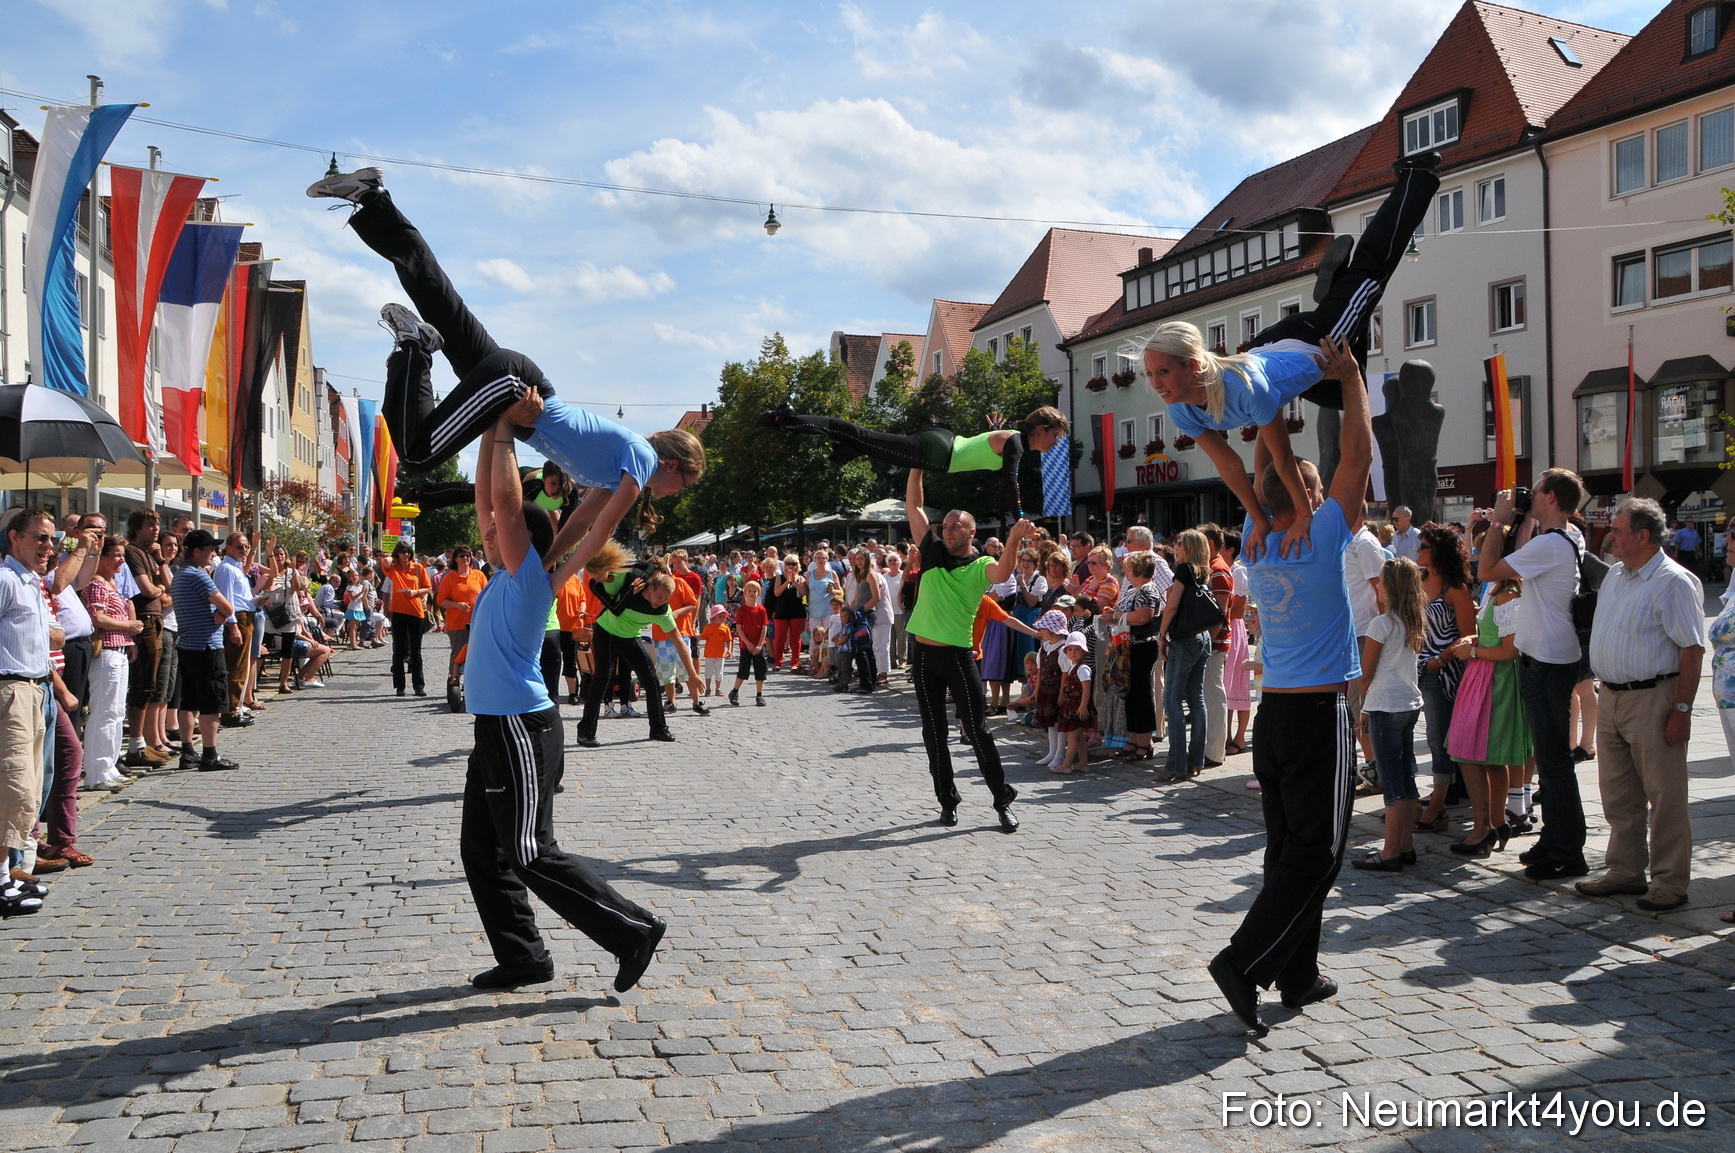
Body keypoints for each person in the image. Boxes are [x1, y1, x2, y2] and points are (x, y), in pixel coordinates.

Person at [307, 167, 705, 579]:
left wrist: (545, 565)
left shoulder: (617, 470)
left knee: (437, 296)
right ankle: (415, 347)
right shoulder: (641, 457)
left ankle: (372, 199)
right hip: (514, 388)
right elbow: (603, 529)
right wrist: (553, 584)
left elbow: (580, 524)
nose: (677, 494)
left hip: (516, 388)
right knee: (419, 453)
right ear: (673, 466)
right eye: (685, 485)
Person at [1127, 157, 1439, 560]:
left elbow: (1282, 456)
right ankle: (1334, 286)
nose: (1157, 383)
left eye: (1163, 372)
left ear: (1194, 365)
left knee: (1372, 274)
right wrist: (1257, 516)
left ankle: (1418, 180)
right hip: (1272, 351)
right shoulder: (1183, 410)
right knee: (1348, 393)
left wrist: (1306, 515)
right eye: (1151, 375)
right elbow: (1230, 468)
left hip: (1313, 342)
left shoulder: (1243, 388)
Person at [459, 408, 665, 992]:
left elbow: (506, 504)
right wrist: (487, 429)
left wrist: (504, 433)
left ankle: (633, 930)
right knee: (482, 848)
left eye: (500, 532)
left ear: (523, 540)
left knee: (528, 849)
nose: (489, 535)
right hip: (495, 729)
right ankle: (524, 956)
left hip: (522, 727)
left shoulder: (529, 577)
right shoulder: (503, 573)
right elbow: (488, 499)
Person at [1208, 334, 1371, 1038]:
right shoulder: (1319, 532)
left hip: (1275, 716)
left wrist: (1263, 399)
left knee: (1286, 847)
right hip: (1315, 714)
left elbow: (1258, 472)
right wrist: (1353, 377)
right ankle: (1243, 962)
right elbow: (1357, 457)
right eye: (1313, 485)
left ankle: (1297, 971)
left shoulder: (1255, 538)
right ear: (1307, 494)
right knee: (1319, 850)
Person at [1574, 499, 1706, 912]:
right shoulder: (1616, 574)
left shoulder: (1674, 582)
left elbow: (1692, 650)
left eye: (1617, 529)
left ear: (1642, 536)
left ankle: (1669, 881)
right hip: (1611, 695)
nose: (1610, 535)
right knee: (1618, 794)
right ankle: (1626, 870)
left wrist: (1681, 710)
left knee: (1665, 795)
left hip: (1653, 698)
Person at [902, 466, 1031, 832]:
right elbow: (915, 506)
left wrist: (1015, 540)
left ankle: (1001, 801)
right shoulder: (932, 550)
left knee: (978, 730)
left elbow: (1004, 574)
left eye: (956, 525)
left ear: (972, 532)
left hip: (958, 657)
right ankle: (947, 801)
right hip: (924, 657)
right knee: (934, 733)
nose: (948, 528)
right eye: (946, 525)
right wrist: (917, 466)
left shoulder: (981, 563)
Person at [1479, 468, 1591, 882]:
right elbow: (1518, 556)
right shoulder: (1565, 538)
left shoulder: (1551, 544)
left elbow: (1487, 569)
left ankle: (1567, 850)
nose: (1530, 494)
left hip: (1546, 662)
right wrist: (1520, 518)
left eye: (1536, 490)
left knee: (1554, 762)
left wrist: (1499, 519)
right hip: (1549, 657)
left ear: (1551, 498)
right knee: (1549, 758)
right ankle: (1555, 840)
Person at [760, 406, 1070, 520]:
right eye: (1054, 436)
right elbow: (1010, 482)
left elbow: (987, 450)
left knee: (869, 444)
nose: (1055, 442)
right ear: (1040, 430)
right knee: (862, 435)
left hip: (942, 444)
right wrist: (1020, 518)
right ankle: (788, 419)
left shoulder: (1013, 439)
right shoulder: (1017, 442)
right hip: (936, 452)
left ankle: (845, 452)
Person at [1350, 558, 1427, 873]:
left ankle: (1391, 850)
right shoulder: (1415, 619)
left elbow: (1365, 674)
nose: (1377, 586)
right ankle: (1405, 845)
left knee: (1392, 783)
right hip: (1408, 703)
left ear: (1390, 588)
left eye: (1381, 581)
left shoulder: (1381, 624)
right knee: (1406, 779)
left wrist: (1363, 705)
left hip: (1385, 705)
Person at [1445, 577, 1530, 856]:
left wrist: (1472, 650)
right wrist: (1476, 639)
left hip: (1494, 680)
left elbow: (1510, 651)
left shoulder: (1507, 595)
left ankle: (1484, 828)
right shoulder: (1498, 592)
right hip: (1483, 676)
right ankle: (1495, 823)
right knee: (1486, 757)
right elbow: (1498, 638)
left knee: (1468, 751)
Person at [1, 508, 57, 908]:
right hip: (11, 691)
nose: (47, 546)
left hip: (36, 690)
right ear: (14, 538)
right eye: (39, 537)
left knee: (31, 790)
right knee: (14, 789)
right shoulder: (5, 580)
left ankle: (9, 872)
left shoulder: (31, 583)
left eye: (51, 539)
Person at [575, 551, 680, 746]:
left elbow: (648, 567)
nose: (598, 579)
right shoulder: (595, 585)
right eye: (594, 577)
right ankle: (585, 732)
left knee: (650, 678)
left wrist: (639, 580)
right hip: (605, 632)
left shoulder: (626, 571)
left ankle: (658, 728)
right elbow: (615, 609)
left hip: (629, 635)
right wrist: (629, 592)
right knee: (602, 679)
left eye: (599, 575)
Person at [169, 530, 240, 772]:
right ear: (196, 551)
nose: (214, 553)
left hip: (187, 644)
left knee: (188, 701)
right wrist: (222, 612)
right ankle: (210, 754)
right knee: (211, 701)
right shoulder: (198, 576)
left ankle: (188, 751)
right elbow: (227, 607)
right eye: (210, 549)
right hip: (207, 645)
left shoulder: (179, 575)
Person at [78, 537, 141, 791]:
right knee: (104, 712)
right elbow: (97, 617)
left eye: (121, 555)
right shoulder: (96, 584)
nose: (120, 560)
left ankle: (109, 765)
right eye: (115, 555)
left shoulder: (111, 584)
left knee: (115, 713)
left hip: (120, 649)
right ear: (101, 558)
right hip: (106, 651)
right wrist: (128, 626)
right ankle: (97, 771)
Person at [380, 542, 433, 697]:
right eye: (402, 552)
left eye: (408, 552)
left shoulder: (418, 568)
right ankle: (400, 686)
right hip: (398, 611)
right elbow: (385, 562)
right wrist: (393, 558)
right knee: (399, 650)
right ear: (398, 554)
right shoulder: (394, 569)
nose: (406, 555)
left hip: (416, 611)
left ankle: (418, 685)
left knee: (416, 651)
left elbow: (428, 588)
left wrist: (416, 592)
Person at [437, 545, 487, 688]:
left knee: (477, 655)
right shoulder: (449, 577)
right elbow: (441, 600)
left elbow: (487, 595)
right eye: (462, 556)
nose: (465, 558)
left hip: (477, 623)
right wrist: (456, 604)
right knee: (459, 654)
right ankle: (454, 681)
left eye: (468, 555)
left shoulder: (478, 575)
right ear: (456, 559)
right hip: (457, 624)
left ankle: (472, 684)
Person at [729, 581, 771, 706]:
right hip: (745, 646)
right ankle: (735, 691)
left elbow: (764, 628)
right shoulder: (742, 610)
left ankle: (759, 695)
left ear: (758, 594)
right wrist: (747, 643)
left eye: (755, 591)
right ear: (745, 594)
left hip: (759, 645)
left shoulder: (761, 610)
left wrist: (759, 644)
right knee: (743, 670)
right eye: (750, 591)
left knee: (760, 670)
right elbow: (739, 628)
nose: (752, 593)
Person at [700, 606, 733, 698]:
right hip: (709, 654)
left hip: (720, 654)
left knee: (719, 673)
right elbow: (703, 636)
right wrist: (694, 635)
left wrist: (729, 650)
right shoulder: (708, 627)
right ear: (713, 617)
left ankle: (718, 689)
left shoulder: (725, 628)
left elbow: (729, 640)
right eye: (720, 616)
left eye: (723, 616)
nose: (722, 618)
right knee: (708, 672)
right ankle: (708, 689)